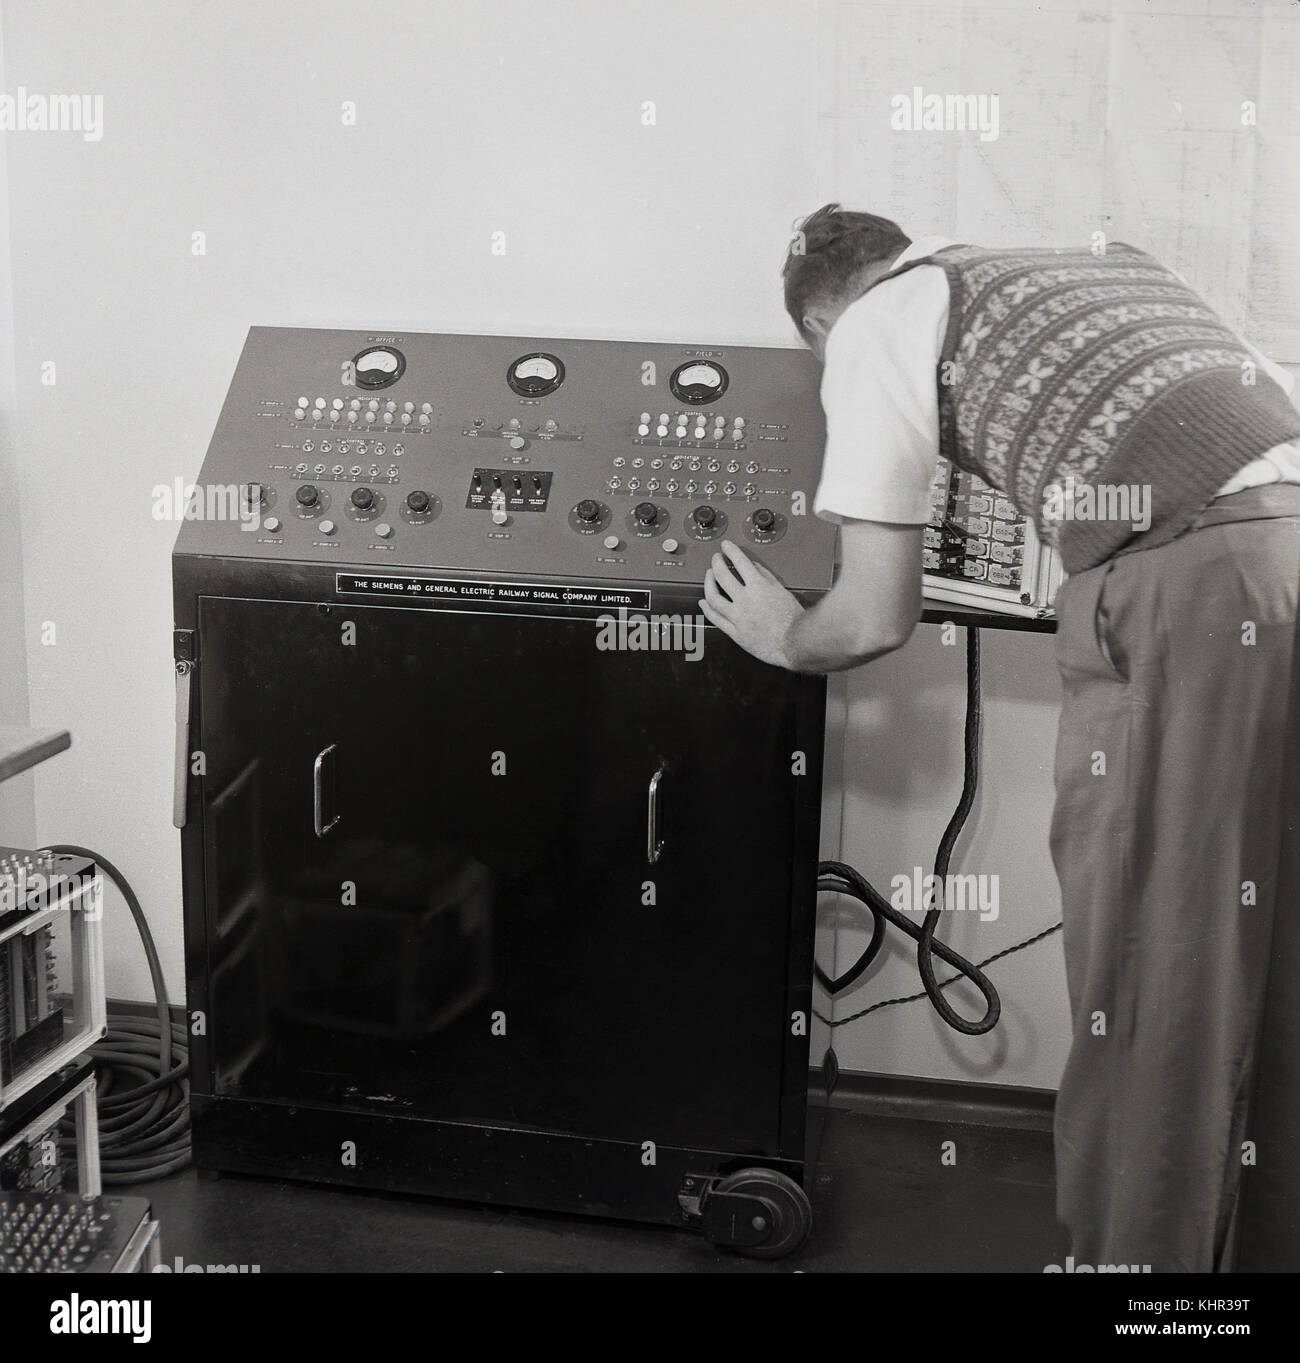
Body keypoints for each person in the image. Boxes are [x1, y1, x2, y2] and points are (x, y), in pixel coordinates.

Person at [699, 205, 1300, 1272]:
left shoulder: (879, 321)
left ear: (823, 319)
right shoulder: (1094, 260)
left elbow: (872, 616)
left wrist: (783, 636)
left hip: (1199, 591)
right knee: (1269, 957)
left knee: (1154, 969)